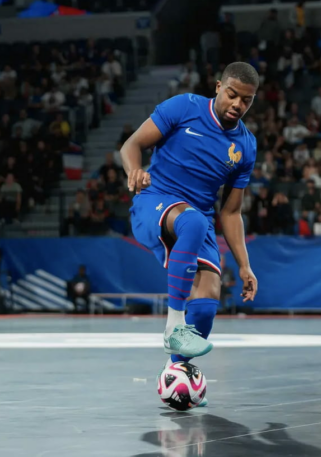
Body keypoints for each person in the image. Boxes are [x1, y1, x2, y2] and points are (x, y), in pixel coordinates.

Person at [121, 62, 260, 408]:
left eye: (246, 100)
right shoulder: (184, 107)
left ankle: (175, 373)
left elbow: (229, 212)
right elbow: (132, 145)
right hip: (155, 202)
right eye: (232, 94)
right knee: (196, 222)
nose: (237, 105)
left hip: (197, 216)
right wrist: (134, 170)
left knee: (210, 293)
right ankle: (173, 328)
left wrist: (244, 265)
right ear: (217, 87)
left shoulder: (246, 145)